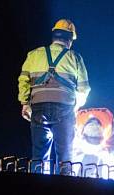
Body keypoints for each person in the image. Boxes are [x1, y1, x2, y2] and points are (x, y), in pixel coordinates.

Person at [17, 19, 90, 174]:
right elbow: (84, 89)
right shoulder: (75, 58)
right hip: (64, 108)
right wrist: (75, 107)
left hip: (38, 107)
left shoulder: (34, 55)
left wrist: (25, 103)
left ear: (54, 35)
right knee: (65, 157)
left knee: (39, 156)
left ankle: (38, 189)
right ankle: (65, 192)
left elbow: (23, 80)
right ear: (70, 39)